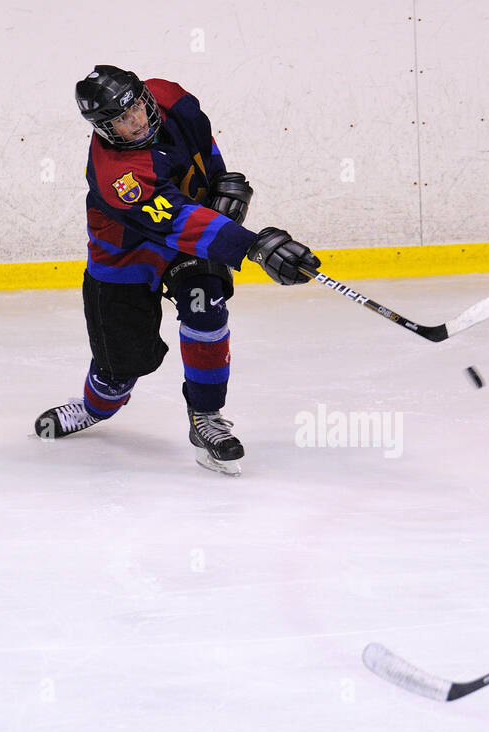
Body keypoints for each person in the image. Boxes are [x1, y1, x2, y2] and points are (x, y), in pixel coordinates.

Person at [34, 65, 321, 476]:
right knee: (120, 368)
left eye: (134, 110)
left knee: (207, 305)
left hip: (189, 241)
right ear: (102, 129)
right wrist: (253, 247)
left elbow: (202, 146)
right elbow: (180, 221)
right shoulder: (119, 175)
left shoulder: (172, 96)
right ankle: (94, 407)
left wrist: (220, 181)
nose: (133, 124)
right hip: (125, 255)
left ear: (144, 97)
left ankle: (205, 416)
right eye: (118, 121)